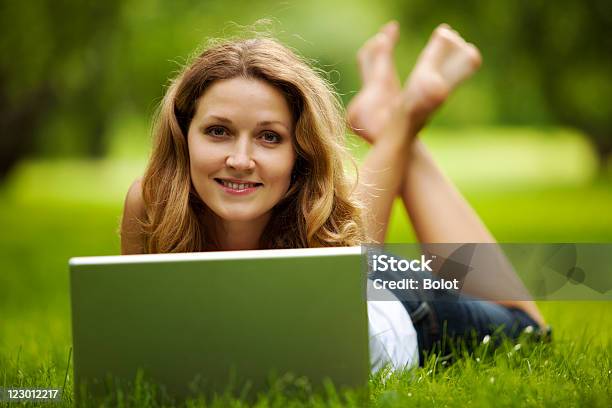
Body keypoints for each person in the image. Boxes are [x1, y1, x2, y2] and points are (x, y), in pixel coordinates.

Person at [121, 22, 548, 373]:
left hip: (406, 313)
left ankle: (407, 113)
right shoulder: (152, 204)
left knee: (530, 330)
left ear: (297, 153)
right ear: (184, 134)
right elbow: (136, 343)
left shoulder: (313, 207)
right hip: (359, 273)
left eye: (269, 137)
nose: (240, 159)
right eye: (218, 131)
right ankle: (396, 118)